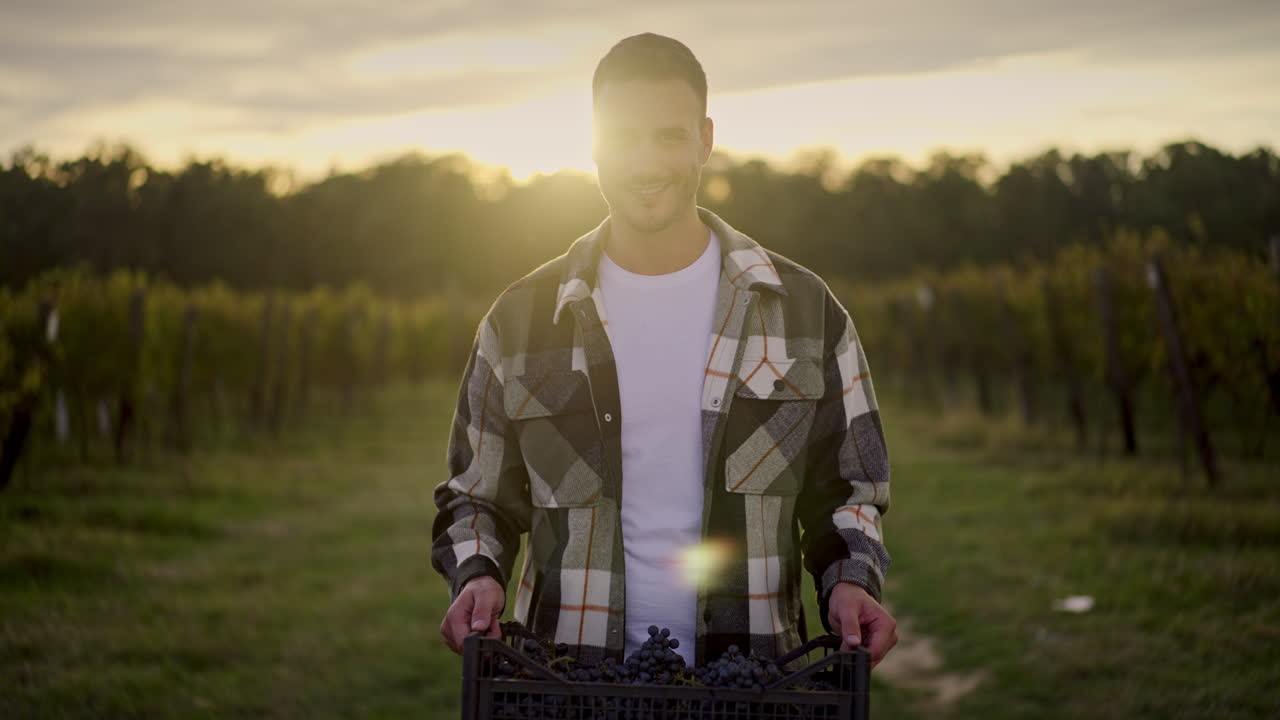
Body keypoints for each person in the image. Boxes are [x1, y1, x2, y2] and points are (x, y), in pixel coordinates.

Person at [433, 32, 896, 670]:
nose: (645, 163)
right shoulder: (519, 321)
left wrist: (851, 579)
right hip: (566, 686)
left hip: (749, 685)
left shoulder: (807, 312)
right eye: (624, 137)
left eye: (669, 137)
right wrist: (478, 573)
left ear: (705, 140)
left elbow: (850, 491)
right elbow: (475, 496)